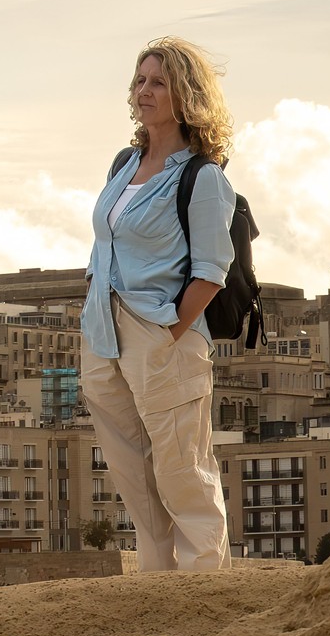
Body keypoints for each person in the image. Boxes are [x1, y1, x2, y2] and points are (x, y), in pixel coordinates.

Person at [81, 36, 237, 572]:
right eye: (140, 80)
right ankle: (155, 589)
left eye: (158, 82)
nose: (143, 91)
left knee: (183, 471)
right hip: (103, 335)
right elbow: (107, 242)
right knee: (134, 474)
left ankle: (204, 592)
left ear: (186, 94)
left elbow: (212, 272)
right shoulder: (124, 163)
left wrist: (167, 331)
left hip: (162, 335)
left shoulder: (202, 177)